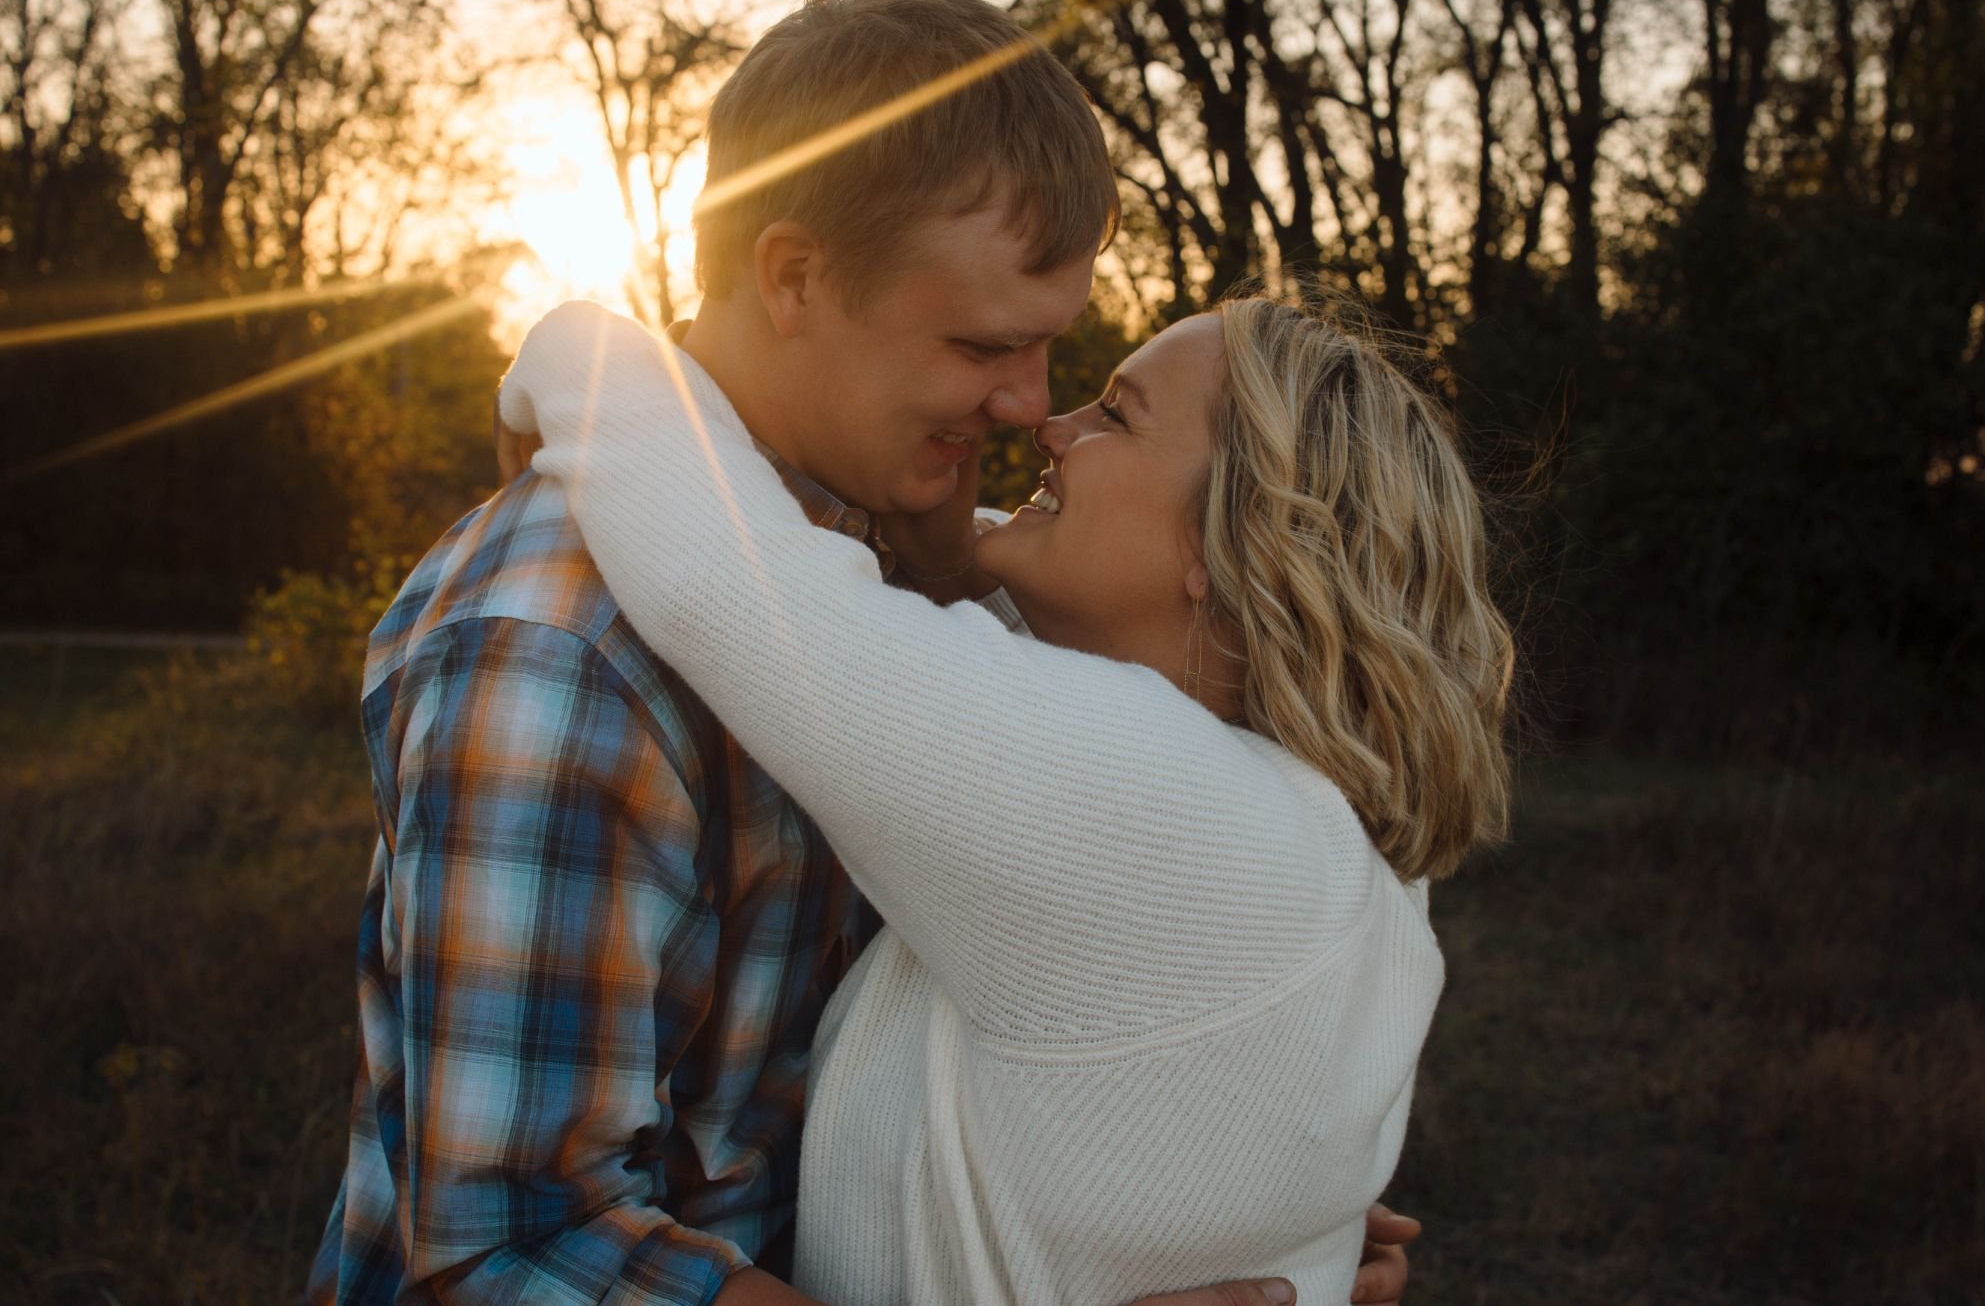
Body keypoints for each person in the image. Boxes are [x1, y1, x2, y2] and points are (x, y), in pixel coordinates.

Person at [308, 0, 1420, 1304]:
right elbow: (509, 1255)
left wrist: (1227, 1199)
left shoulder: (924, 570)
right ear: (793, 277)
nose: (1029, 406)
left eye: (1049, 349)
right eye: (981, 344)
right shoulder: (560, 647)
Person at [495, 284, 1511, 1303]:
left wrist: (577, 350)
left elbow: (738, 585)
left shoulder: (1160, 812)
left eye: (1116, 416)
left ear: (1228, 539)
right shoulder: (1316, 823)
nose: (1050, 424)